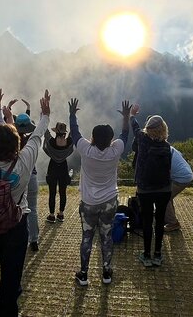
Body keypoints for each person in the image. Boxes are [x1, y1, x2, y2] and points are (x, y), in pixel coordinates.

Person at [0, 89, 50, 317]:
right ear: (17, 144)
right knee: (10, 285)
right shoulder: (23, 163)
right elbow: (36, 137)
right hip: (13, 230)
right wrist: (45, 115)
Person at [70, 98, 130, 286]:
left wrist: (72, 114)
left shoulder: (86, 149)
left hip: (88, 202)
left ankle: (84, 274)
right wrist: (126, 117)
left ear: (93, 138)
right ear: (111, 139)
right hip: (110, 202)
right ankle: (106, 273)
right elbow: (125, 133)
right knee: (107, 236)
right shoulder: (116, 151)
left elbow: (74, 132)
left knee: (87, 237)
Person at [130, 105, 172, 267]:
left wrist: (132, 115)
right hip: (164, 189)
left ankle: (146, 256)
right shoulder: (167, 146)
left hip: (145, 189)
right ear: (163, 129)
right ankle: (158, 255)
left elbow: (135, 126)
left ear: (149, 128)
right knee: (160, 221)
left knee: (147, 221)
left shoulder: (142, 139)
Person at [8, 98, 41, 252]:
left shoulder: (12, 140)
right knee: (32, 209)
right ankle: (34, 240)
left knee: (16, 207)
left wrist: (7, 108)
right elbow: (33, 127)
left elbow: (10, 124)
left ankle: (17, 238)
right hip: (32, 175)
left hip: (17, 177)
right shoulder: (31, 140)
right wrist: (29, 108)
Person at [43, 122, 74, 224]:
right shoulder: (69, 142)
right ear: (65, 132)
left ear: (55, 131)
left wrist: (43, 116)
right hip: (63, 167)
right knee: (62, 192)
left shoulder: (51, 142)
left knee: (52, 193)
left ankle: (51, 216)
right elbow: (71, 150)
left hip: (52, 166)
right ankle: (61, 214)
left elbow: (45, 132)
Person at [164, 145, 193, 232]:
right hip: (186, 173)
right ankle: (169, 218)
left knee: (165, 198)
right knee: (168, 196)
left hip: (181, 177)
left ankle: (173, 223)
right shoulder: (168, 147)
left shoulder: (163, 151)